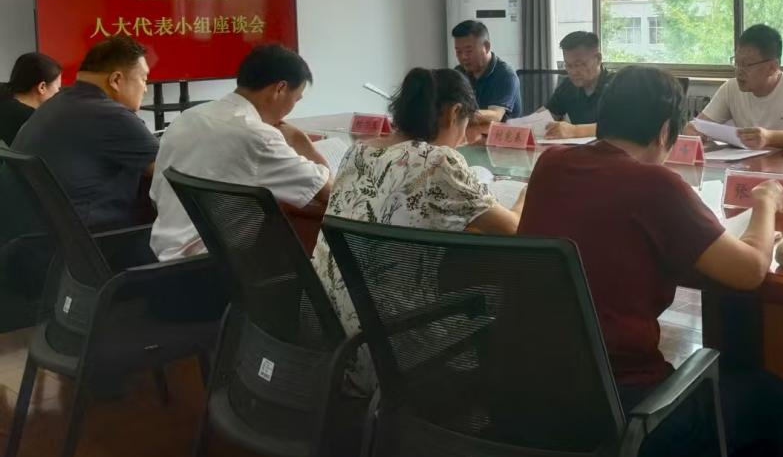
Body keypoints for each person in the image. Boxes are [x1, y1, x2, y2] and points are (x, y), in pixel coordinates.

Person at [518, 65, 783, 457]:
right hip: (622, 412)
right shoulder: (654, 184)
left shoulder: (551, 164)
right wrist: (766, 201)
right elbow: (749, 269)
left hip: (533, 395)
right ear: (666, 131)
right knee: (768, 399)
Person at [312, 67, 522, 392]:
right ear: (453, 112)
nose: (463, 138)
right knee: (504, 302)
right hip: (395, 342)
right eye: (465, 123)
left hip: (330, 338)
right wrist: (525, 195)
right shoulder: (438, 162)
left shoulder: (358, 152)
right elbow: (513, 229)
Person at [149, 44, 333, 261]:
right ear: (280, 88)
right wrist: (299, 140)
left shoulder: (187, 118)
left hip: (165, 258)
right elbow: (330, 193)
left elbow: (155, 196)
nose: (293, 107)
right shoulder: (258, 136)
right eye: (296, 98)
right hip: (217, 266)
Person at [13, 35, 157, 232]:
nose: (146, 89)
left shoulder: (56, 103)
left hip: (37, 237)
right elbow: (170, 170)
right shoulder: (111, 115)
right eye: (143, 79)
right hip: (95, 240)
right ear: (116, 80)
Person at [685, 24, 783, 151]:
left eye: (747, 64)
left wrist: (769, 137)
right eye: (737, 63)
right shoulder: (730, 88)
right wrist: (692, 129)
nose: (739, 71)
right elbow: (699, 125)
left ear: (772, 67)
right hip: (744, 165)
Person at [452, 20, 522, 129]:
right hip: (470, 134)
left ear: (486, 46)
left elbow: (496, 115)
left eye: (469, 51)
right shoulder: (459, 73)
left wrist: (460, 114)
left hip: (500, 137)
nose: (463, 57)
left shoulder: (505, 75)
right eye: (458, 52)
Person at [542, 30, 612, 139]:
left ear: (598, 59)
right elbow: (544, 116)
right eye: (568, 65)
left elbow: (620, 125)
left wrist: (575, 130)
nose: (573, 72)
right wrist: (525, 126)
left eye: (579, 64)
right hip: (579, 148)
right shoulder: (568, 85)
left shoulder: (617, 85)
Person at [0, 52, 62, 145]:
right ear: (42, 87)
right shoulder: (32, 120)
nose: (58, 92)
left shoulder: (4, 100)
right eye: (58, 87)